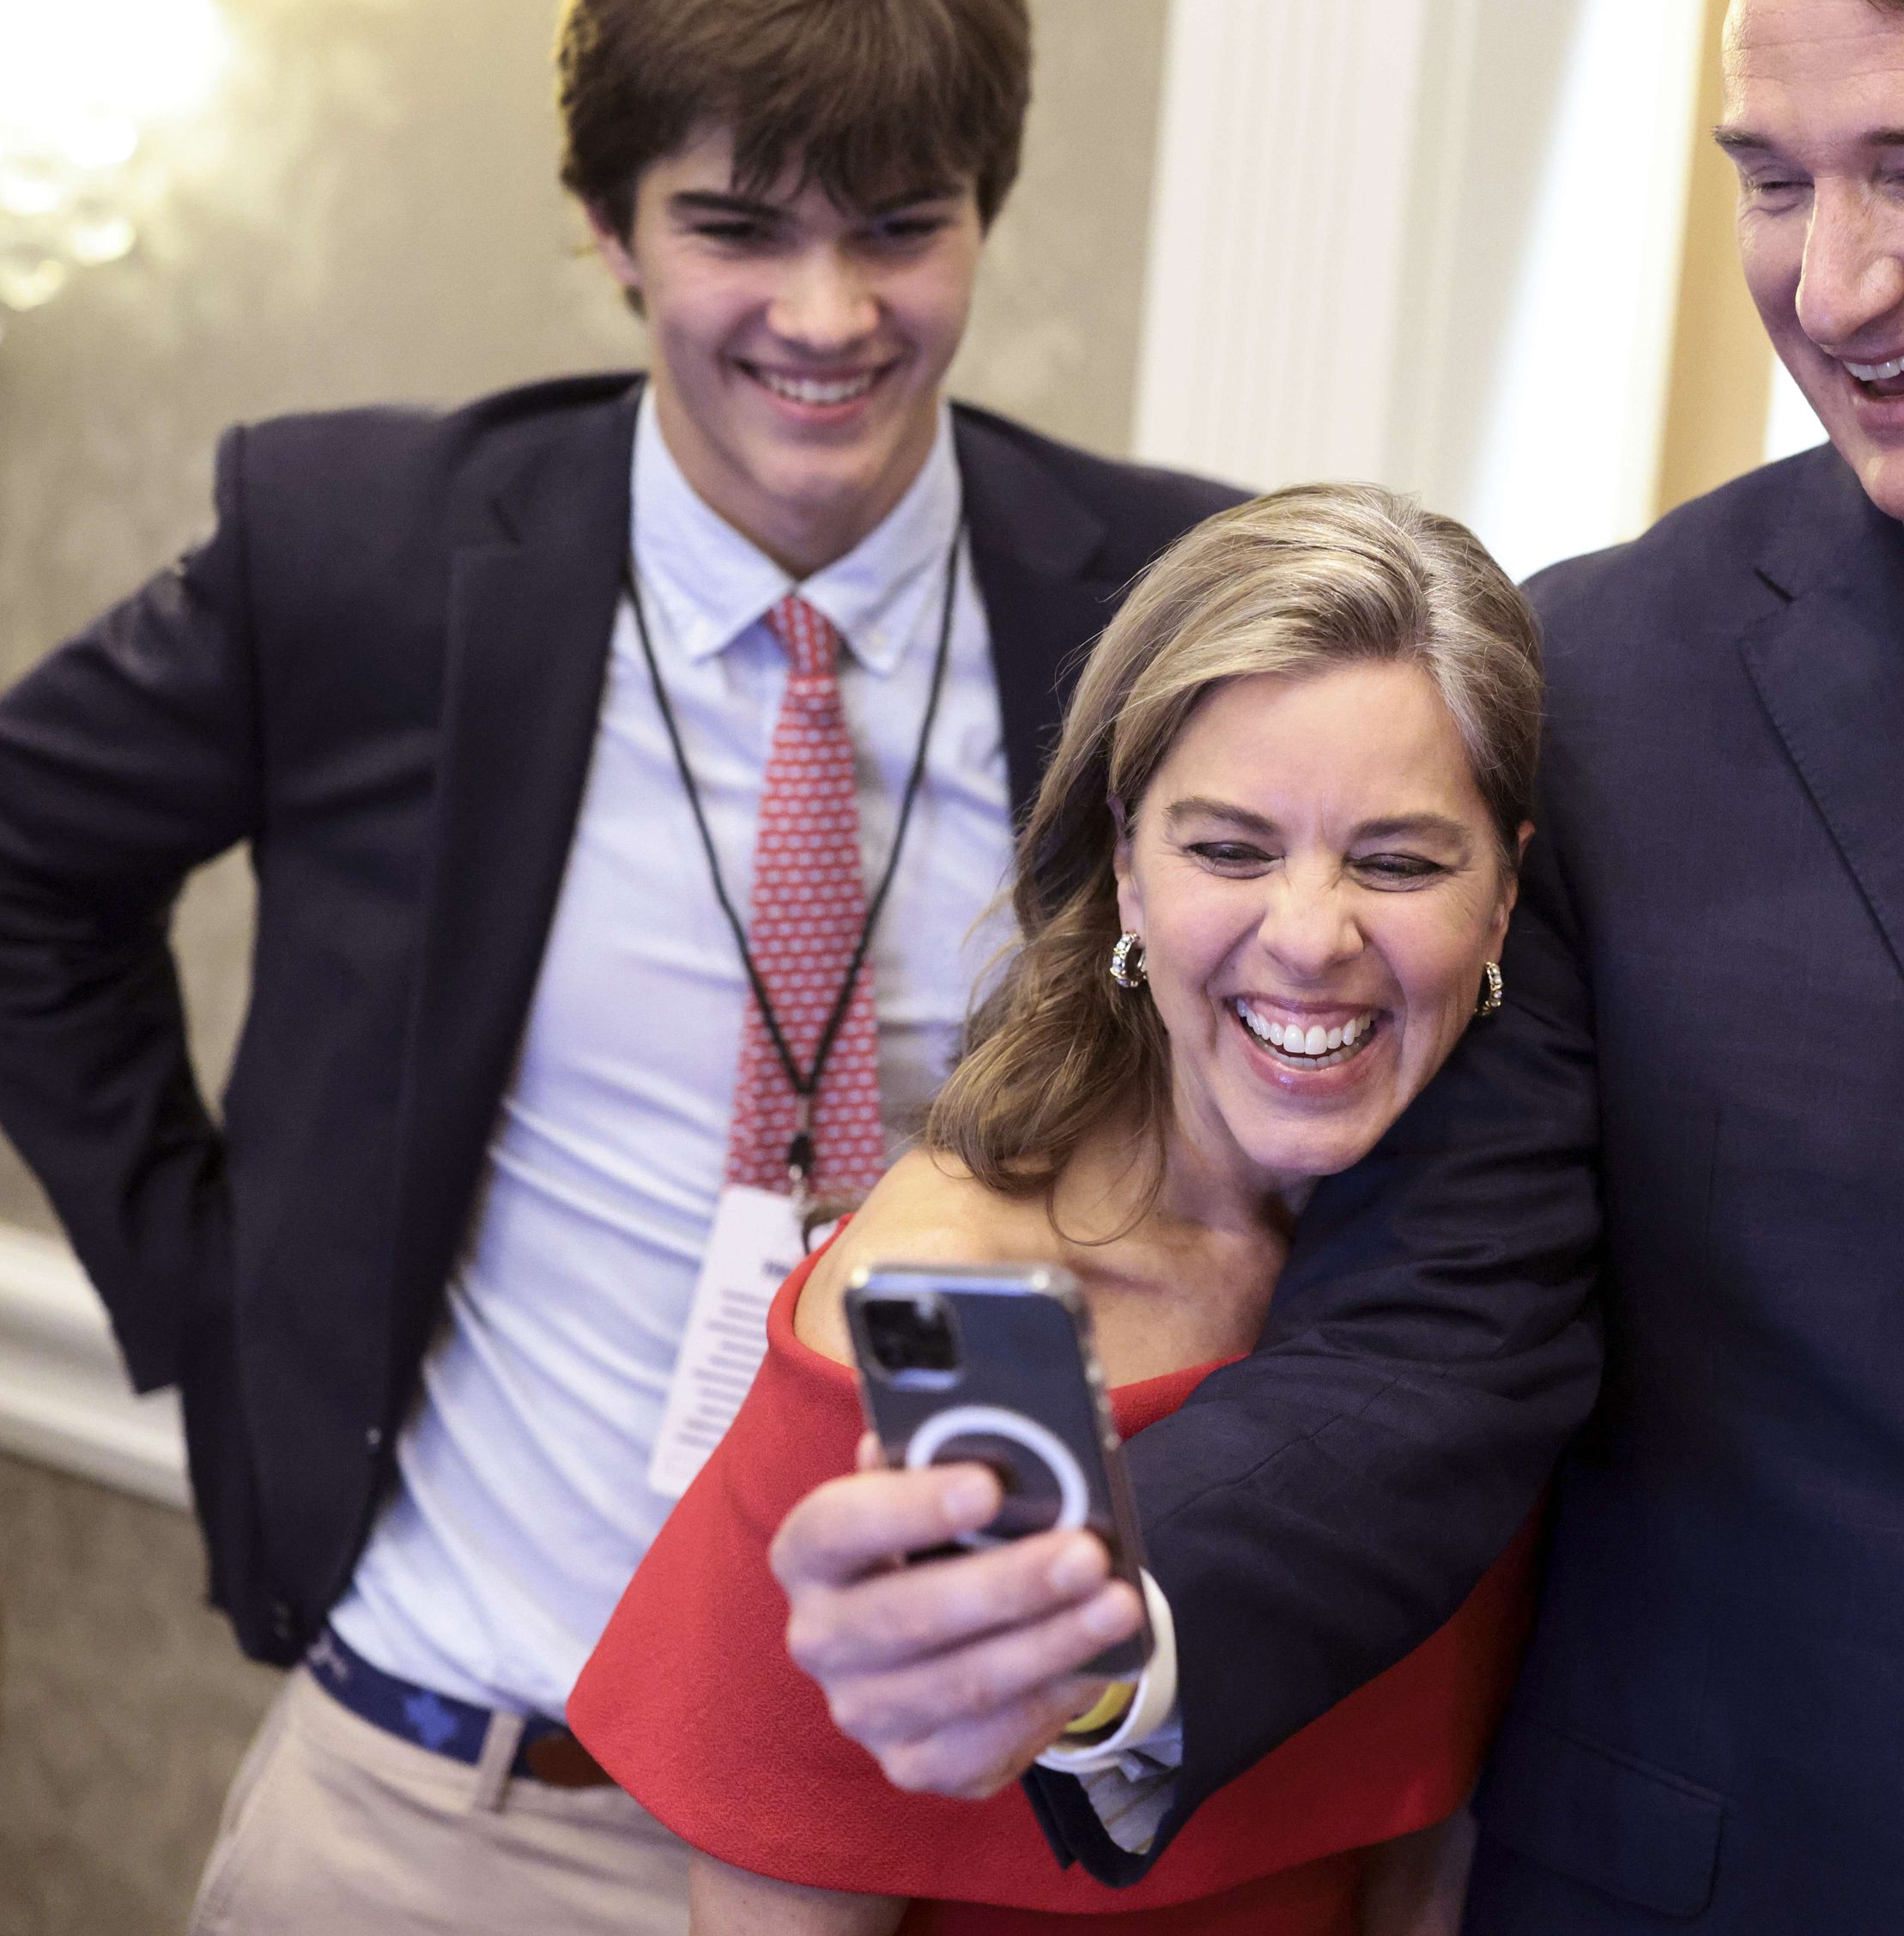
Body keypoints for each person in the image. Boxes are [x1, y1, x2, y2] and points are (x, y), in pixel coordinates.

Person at [773, 0, 1904, 1933]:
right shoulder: (1609, 683)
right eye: (1772, 179)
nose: (1830, 284)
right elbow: (1440, 1330)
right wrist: (1112, 1605)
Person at [0, 0, 1239, 1935]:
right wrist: (219, 1299)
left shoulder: (1155, 605)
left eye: (901, 232)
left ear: (982, 220)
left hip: (929, 1850)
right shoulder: (361, 550)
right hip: (438, 1807)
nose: (828, 317)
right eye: (736, 230)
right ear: (609, 229)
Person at [573, 484, 1541, 1935]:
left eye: (1399, 862)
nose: (1310, 936)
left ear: (1509, 895)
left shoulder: (1487, 1307)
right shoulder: (937, 1312)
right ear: (1126, 866)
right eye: (1228, 849)